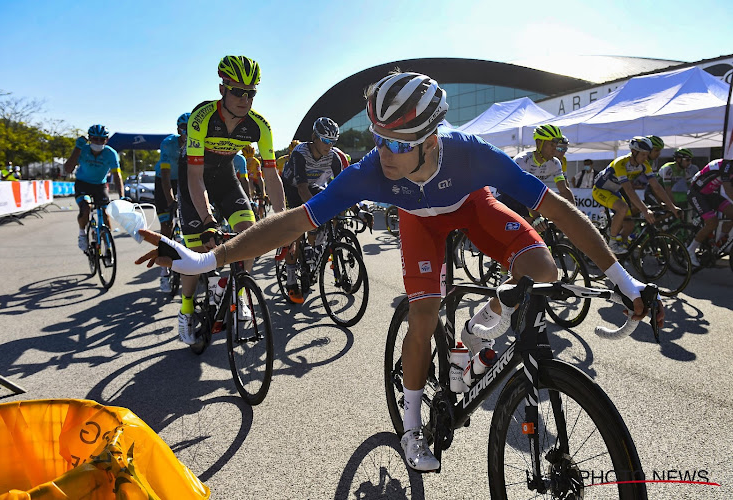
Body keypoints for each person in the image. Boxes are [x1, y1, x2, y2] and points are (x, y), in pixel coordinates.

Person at [136, 71, 664, 472]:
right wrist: (207, 259)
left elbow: (557, 210)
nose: (383, 154)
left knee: (543, 270)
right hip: (418, 223)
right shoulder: (372, 171)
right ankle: (412, 426)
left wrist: (625, 281)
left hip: (470, 202)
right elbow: (291, 222)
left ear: (432, 140)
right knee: (423, 316)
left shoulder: (472, 155)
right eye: (377, 138)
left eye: (397, 144)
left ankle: (480, 330)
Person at [174, 54, 286, 344]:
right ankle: (186, 308)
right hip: (194, 176)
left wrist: (284, 217)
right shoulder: (203, 117)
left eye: (251, 93)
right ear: (222, 88)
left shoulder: (259, 125)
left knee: (249, 236)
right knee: (197, 252)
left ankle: (241, 295)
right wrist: (208, 220)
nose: (244, 99)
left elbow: (271, 175)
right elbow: (195, 177)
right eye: (238, 91)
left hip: (225, 177)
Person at [280, 117, 349, 303]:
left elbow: (342, 185)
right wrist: (317, 213)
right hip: (293, 187)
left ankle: (313, 251)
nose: (329, 145)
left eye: (333, 141)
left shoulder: (333, 156)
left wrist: (353, 205)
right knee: (296, 232)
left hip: (313, 185)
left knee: (324, 215)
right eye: (325, 140)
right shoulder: (300, 153)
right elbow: (301, 189)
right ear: (314, 137)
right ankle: (292, 281)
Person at [592, 137, 679, 254]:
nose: (645, 158)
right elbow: (628, 190)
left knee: (630, 225)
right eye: (643, 155)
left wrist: (672, 207)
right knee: (623, 208)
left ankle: (618, 251)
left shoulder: (644, 165)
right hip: (600, 190)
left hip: (614, 191)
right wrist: (645, 210)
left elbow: (657, 186)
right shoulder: (620, 163)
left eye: (647, 155)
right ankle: (612, 243)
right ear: (634, 152)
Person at [498, 124, 575, 233]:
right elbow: (523, 193)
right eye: (551, 144)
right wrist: (536, 217)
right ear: (539, 143)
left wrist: (574, 214)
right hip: (510, 195)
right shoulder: (522, 160)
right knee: (527, 225)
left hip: (530, 196)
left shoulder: (555, 163)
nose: (555, 149)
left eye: (556, 144)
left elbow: (564, 190)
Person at [64, 124, 124, 251]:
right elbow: (68, 169)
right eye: (95, 139)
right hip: (83, 184)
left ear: (106, 140)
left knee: (105, 213)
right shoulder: (83, 150)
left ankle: (108, 244)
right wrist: (77, 149)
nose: (98, 142)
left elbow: (117, 175)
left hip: (100, 185)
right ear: (90, 138)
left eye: (102, 139)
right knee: (86, 207)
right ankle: (82, 234)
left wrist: (122, 196)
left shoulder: (111, 153)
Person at [155, 112, 189, 293]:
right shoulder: (168, 144)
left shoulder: (196, 144)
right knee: (166, 226)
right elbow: (166, 177)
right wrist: (171, 200)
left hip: (183, 181)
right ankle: (164, 272)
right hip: (164, 181)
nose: (188, 132)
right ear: (178, 129)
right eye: (185, 128)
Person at [686, 158, 733, 267]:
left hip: (709, 194)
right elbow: (728, 190)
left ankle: (718, 245)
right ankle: (691, 250)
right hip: (696, 193)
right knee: (712, 222)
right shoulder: (727, 166)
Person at [654, 148, 698, 213]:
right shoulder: (668, 168)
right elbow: (667, 189)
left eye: (690, 160)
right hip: (654, 191)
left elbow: (691, 186)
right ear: (678, 159)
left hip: (662, 192)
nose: (689, 163)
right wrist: (673, 205)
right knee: (666, 211)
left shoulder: (684, 170)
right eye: (687, 160)